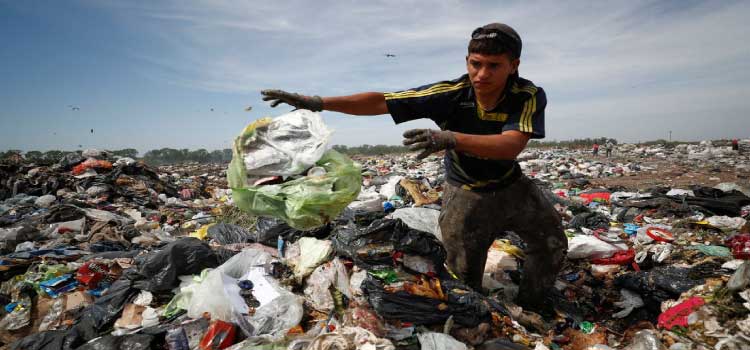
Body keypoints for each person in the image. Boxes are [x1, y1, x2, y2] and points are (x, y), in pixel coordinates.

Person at [261, 23, 567, 315]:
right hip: (467, 192)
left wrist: (450, 138)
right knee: (462, 276)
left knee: (551, 243)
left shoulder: (527, 95)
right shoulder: (449, 94)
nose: (481, 73)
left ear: (513, 65)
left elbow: (511, 144)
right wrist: (316, 102)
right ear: (467, 61)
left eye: (494, 65)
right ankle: (483, 321)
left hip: (513, 186)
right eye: (475, 63)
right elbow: (382, 102)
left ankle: (532, 305)